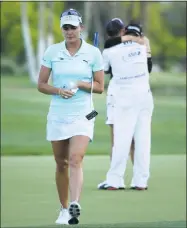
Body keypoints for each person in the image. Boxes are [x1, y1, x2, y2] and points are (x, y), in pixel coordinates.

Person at [37, 8, 104, 225]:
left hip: (84, 112)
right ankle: (64, 208)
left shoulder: (93, 53)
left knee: (76, 159)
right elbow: (41, 84)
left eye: (73, 27)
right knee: (61, 163)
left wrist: (81, 84)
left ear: (81, 28)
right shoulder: (52, 52)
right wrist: (59, 90)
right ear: (62, 29)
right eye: (65, 27)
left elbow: (100, 86)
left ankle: (75, 204)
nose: (69, 31)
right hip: (58, 113)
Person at [98, 20, 153, 190]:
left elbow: (105, 69)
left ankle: (115, 180)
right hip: (145, 97)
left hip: (124, 98)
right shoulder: (143, 47)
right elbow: (149, 67)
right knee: (143, 140)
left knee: (121, 140)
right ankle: (141, 181)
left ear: (125, 32)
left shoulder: (110, 49)